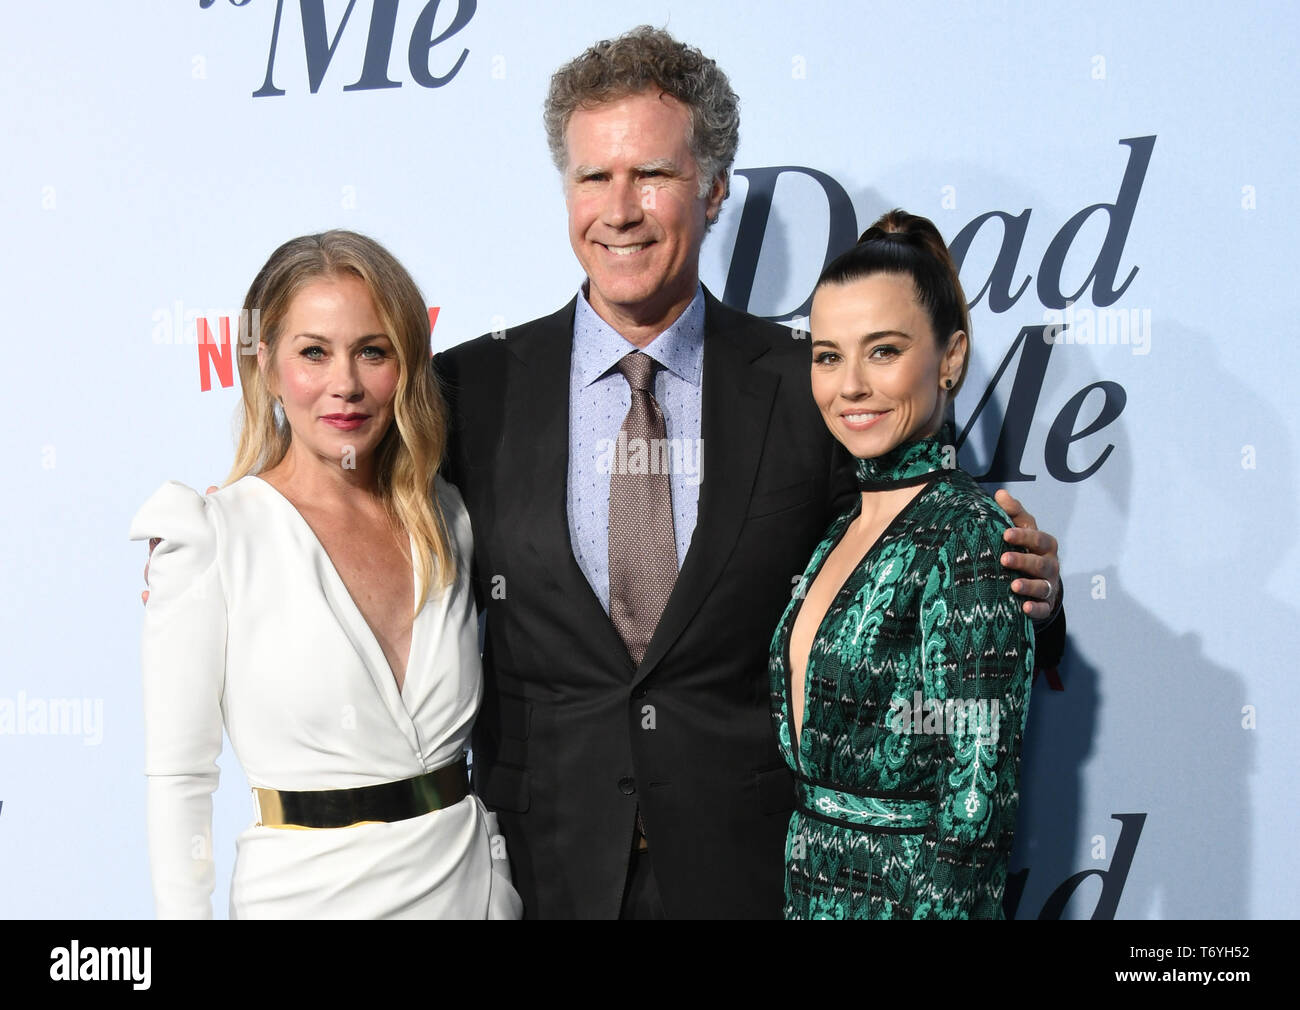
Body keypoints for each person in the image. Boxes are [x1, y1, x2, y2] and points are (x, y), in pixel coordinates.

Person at [434, 27, 1065, 919]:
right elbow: (365, 544)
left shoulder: (811, 384)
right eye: (592, 177)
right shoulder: (469, 387)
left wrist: (1031, 587)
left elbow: (906, 560)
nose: (619, 209)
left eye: (651, 174)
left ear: (716, 188)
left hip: (756, 874)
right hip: (540, 871)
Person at [130, 230, 521, 919]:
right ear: (266, 365)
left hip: (470, 893)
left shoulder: (447, 516)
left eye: (372, 351)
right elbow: (181, 779)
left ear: (406, 364)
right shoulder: (212, 538)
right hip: (306, 899)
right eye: (314, 352)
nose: (345, 384)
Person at [770, 209, 1035, 919]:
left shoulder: (969, 537)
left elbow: (975, 806)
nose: (849, 384)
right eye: (828, 355)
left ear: (950, 357)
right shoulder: (842, 529)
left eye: (882, 351)